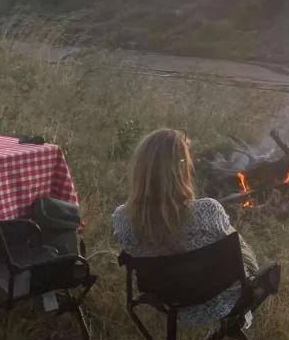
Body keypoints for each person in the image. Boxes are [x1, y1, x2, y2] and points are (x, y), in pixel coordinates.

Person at [112, 128, 262, 326]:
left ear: (140, 168)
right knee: (235, 239)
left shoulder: (122, 218)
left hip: (166, 300)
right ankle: (240, 322)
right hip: (221, 300)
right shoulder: (208, 210)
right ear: (180, 170)